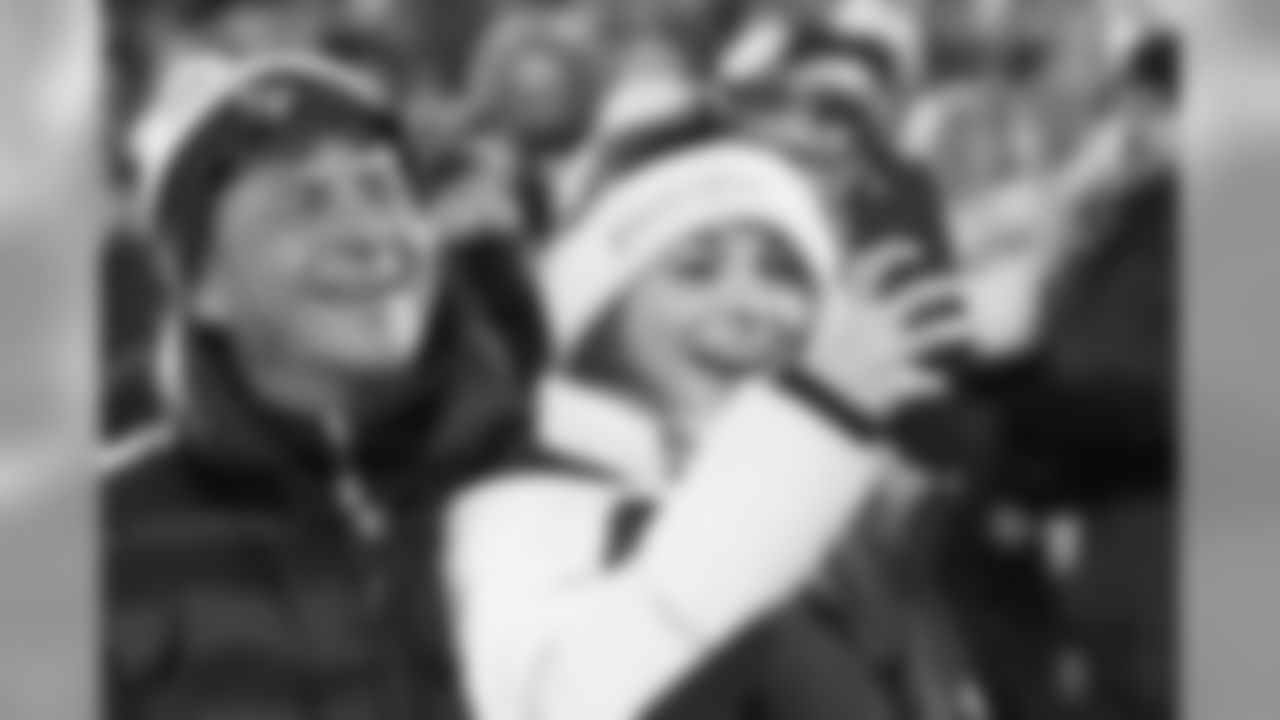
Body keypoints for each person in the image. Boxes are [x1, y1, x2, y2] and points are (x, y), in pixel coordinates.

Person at [444, 123, 971, 720]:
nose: (751, 306)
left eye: (783, 273)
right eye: (695, 270)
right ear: (602, 315)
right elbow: (569, 699)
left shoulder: (844, 516)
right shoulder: (534, 515)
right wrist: (818, 421)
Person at [104, 53, 556, 719]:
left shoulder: (559, 499)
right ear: (204, 287)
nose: (369, 234)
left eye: (385, 191)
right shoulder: (98, 545)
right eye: (305, 205)